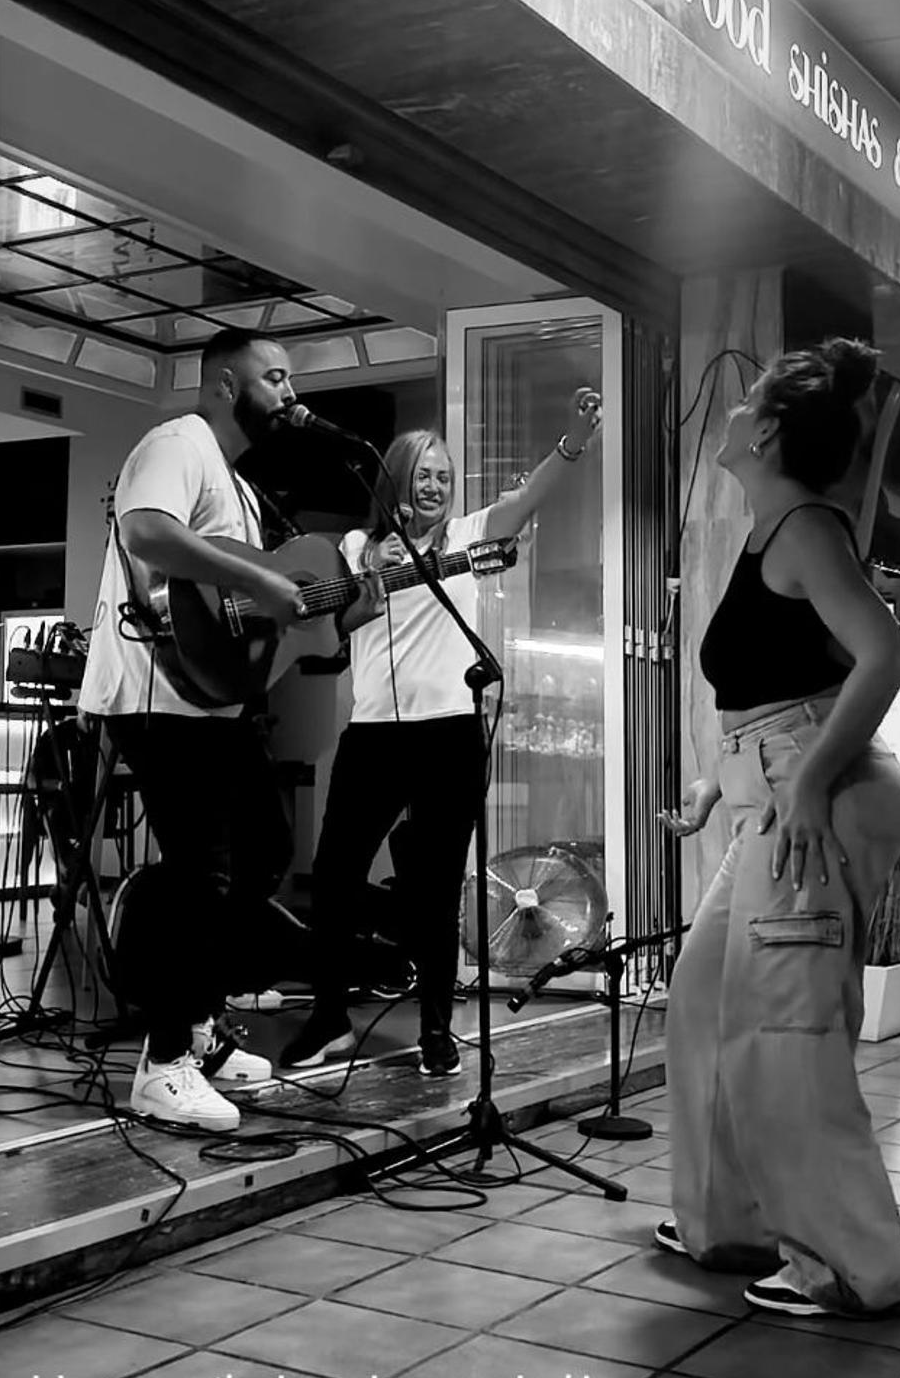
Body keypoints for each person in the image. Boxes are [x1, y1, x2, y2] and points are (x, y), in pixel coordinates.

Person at [659, 337, 900, 1319]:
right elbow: (780, 688)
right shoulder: (773, 525)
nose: (731, 403)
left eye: (750, 393)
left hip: (825, 793)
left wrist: (804, 782)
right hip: (784, 786)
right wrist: (720, 788)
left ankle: (848, 1265)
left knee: (787, 1024)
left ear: (765, 431)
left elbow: (885, 656)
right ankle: (731, 1220)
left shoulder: (807, 525)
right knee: (703, 994)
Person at [280, 387, 604, 1079]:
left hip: (448, 735)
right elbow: (331, 627)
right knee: (334, 875)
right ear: (396, 478)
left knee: (432, 887)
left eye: (444, 476)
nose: (436, 485)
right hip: (371, 734)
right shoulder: (356, 545)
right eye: (424, 474)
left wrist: (572, 440)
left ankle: (435, 1027)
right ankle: (330, 1015)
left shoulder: (466, 540)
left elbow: (525, 502)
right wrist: (371, 587)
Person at [80, 329, 306, 1132]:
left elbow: (238, 616)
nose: (286, 391)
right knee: (203, 870)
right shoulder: (178, 442)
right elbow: (146, 532)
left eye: (288, 380)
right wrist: (260, 577)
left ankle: (201, 1028)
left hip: (210, 702)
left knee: (264, 852)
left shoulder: (240, 489)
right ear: (223, 382)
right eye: (272, 376)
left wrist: (330, 608)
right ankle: (164, 1060)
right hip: (153, 693)